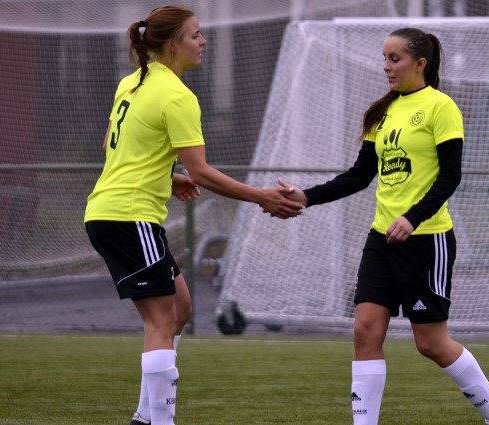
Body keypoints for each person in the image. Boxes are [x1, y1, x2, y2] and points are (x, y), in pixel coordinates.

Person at [277, 28, 489, 425]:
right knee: (364, 332)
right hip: (381, 239)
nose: (386, 67)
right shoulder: (382, 111)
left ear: (420, 63)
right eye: (384, 58)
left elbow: (450, 176)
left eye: (395, 59)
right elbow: (359, 175)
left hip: (426, 240)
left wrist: (412, 218)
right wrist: (306, 196)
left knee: (431, 343)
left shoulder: (441, 107)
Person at [84, 5, 303, 425]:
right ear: (173, 44)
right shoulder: (177, 96)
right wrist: (261, 197)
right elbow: (202, 172)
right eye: (195, 34)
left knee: (180, 308)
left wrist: (168, 177)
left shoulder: (132, 81)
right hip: (129, 216)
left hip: (110, 212)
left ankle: (145, 417)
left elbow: (115, 151)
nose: (203, 41)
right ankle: (159, 421)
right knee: (161, 320)